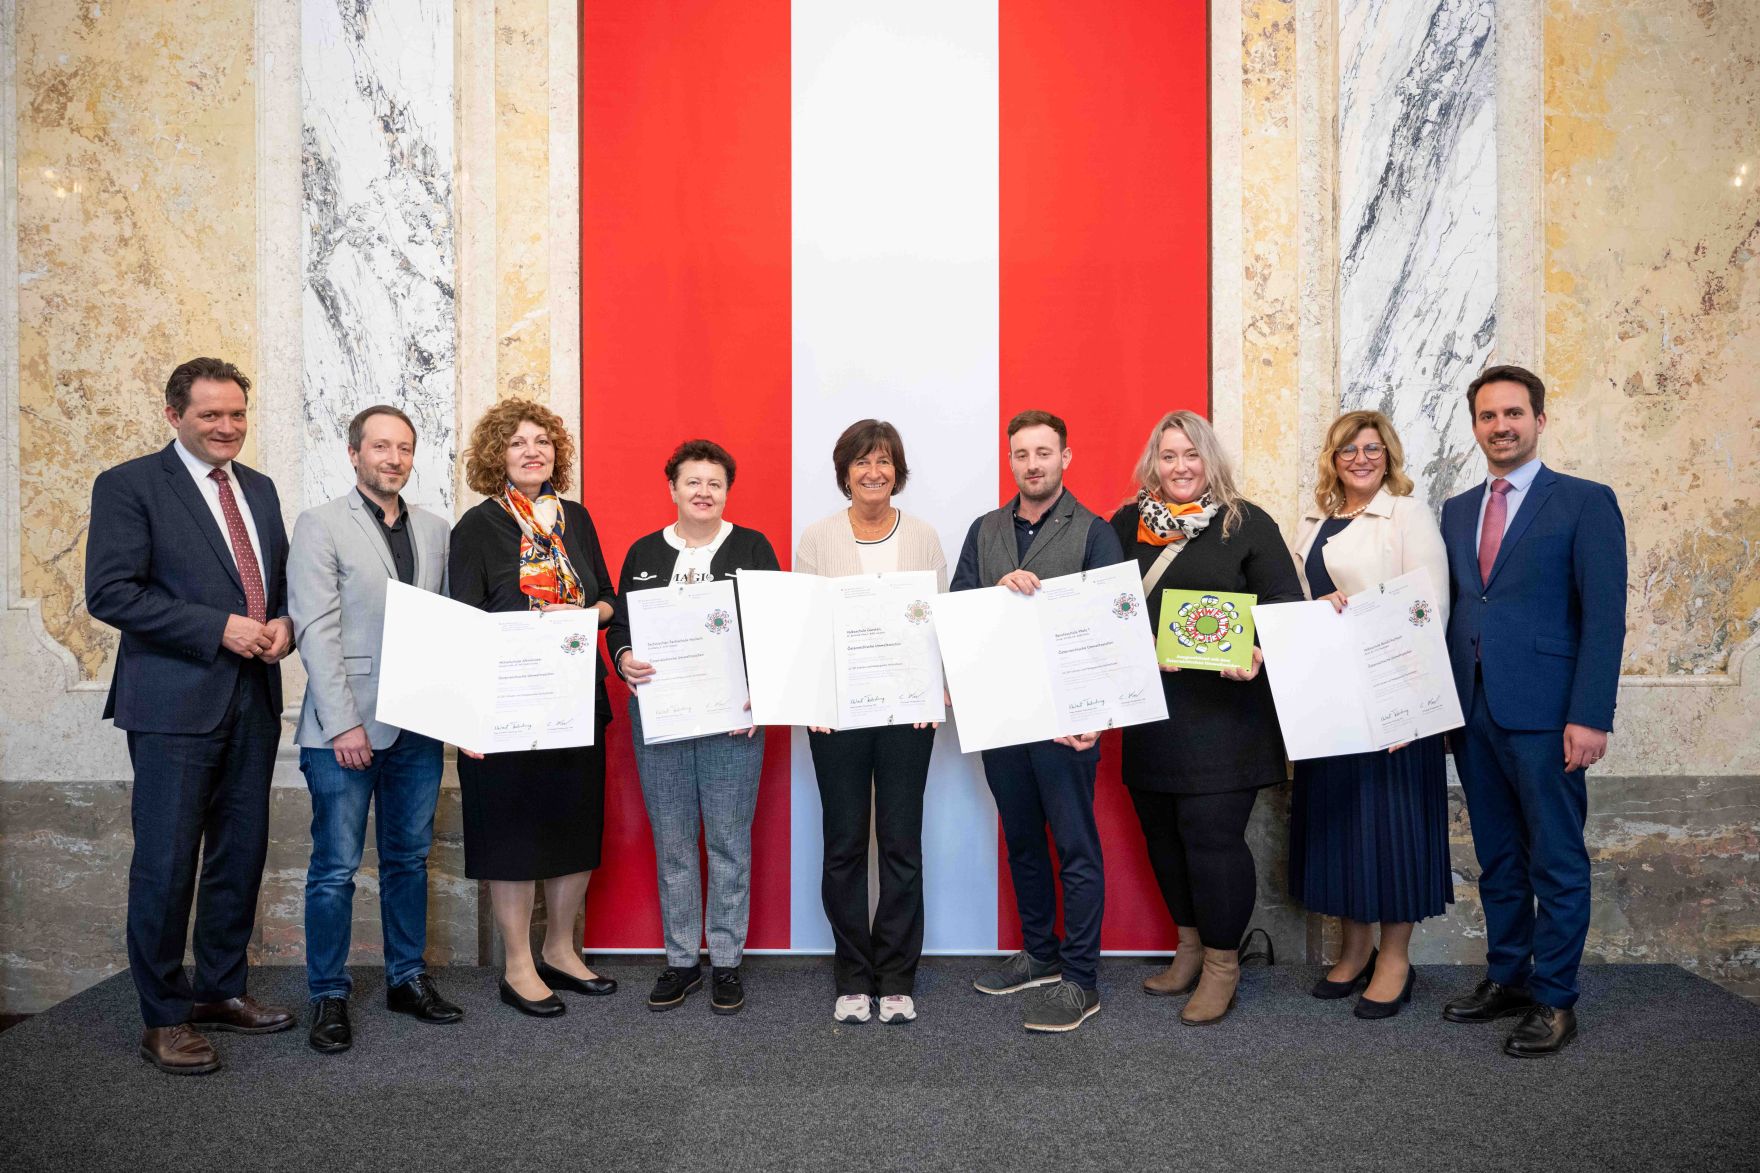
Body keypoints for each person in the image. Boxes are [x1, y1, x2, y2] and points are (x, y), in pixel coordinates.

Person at [85, 357, 297, 1075]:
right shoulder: (129, 485)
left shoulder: (259, 488)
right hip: (173, 704)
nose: (227, 426)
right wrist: (218, 628)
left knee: (240, 854)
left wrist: (285, 624)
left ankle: (219, 990)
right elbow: (112, 592)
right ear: (174, 415)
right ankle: (164, 1017)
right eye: (211, 414)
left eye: (236, 413)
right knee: (168, 863)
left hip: (254, 698)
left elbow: (275, 584)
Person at [1439, 365, 1626, 1057]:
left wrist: (1591, 714)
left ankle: (1555, 999)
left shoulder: (1584, 501)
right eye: (1488, 416)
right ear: (1475, 427)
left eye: (1514, 413)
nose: (1501, 426)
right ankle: (1509, 977)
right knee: (1498, 858)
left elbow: (1604, 617)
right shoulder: (1457, 509)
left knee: (1556, 858)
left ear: (1539, 420)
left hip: (1550, 715)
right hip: (1473, 711)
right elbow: (1454, 606)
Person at [1109, 410, 1304, 1026]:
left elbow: (1285, 606)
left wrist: (1256, 649)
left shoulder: (1247, 523)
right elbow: (1101, 606)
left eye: (1191, 454)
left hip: (1227, 717)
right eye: (1169, 455)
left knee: (1212, 841)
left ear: (1210, 459)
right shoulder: (1126, 525)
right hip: (1152, 716)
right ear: (1153, 463)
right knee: (1164, 839)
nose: (1180, 467)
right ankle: (1188, 948)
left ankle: (1222, 965)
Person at [287, 405, 462, 1053]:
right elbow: (315, 628)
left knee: (408, 860)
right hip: (344, 728)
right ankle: (328, 993)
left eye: (404, 447)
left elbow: (450, 629)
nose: (394, 458)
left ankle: (406, 978)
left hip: (418, 727)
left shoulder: (438, 530)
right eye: (381, 446)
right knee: (334, 868)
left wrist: (460, 714)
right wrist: (343, 724)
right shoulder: (320, 524)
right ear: (354, 453)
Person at [956, 411, 1125, 1033]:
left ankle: (1081, 980)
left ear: (1065, 458)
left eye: (1044, 453)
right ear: (1011, 461)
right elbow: (959, 609)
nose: (1033, 464)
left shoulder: (1095, 532)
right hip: (1002, 715)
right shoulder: (985, 530)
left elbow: (1113, 623)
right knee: (1023, 840)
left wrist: (1098, 715)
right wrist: (995, 592)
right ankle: (1040, 954)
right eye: (1022, 454)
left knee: (1075, 847)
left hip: (1065, 721)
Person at [449, 397, 618, 1017]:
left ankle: (560, 950)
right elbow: (464, 623)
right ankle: (518, 964)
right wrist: (466, 716)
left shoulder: (576, 518)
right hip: (507, 705)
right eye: (518, 442)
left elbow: (608, 598)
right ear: (497, 455)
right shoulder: (477, 527)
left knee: (574, 824)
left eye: (542, 441)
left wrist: (584, 614)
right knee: (513, 832)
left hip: (576, 699)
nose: (532, 451)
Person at [1287, 410, 1454, 1019]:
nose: (1361, 458)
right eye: (1348, 449)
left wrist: (1408, 706)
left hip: (1392, 700)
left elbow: (1429, 607)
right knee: (1342, 828)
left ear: (1389, 457)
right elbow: (1296, 601)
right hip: (1332, 702)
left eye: (1372, 448)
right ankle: (1355, 950)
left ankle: (1395, 959)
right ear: (1333, 459)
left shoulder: (1406, 514)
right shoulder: (1312, 522)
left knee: (1394, 829)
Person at [606, 439, 781, 1016]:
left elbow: (774, 629)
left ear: (727, 492)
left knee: (729, 841)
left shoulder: (753, 548)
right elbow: (620, 626)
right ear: (673, 488)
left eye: (714, 483)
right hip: (661, 717)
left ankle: (726, 962)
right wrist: (624, 657)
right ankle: (681, 961)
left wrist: (762, 693)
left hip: (733, 723)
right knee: (674, 842)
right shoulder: (643, 551)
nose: (703, 492)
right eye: (692, 482)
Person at [795, 419, 947, 1025]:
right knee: (845, 844)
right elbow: (806, 630)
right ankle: (854, 975)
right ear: (845, 472)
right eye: (861, 461)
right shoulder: (817, 538)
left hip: (907, 714)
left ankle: (897, 977)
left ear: (897, 471)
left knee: (902, 844)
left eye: (883, 461)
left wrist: (931, 694)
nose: (873, 472)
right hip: (837, 717)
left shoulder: (924, 536)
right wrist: (813, 701)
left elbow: (938, 624)